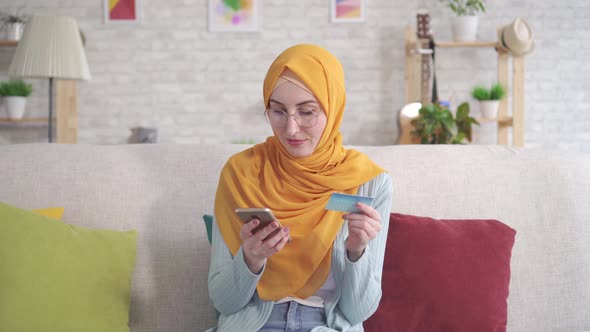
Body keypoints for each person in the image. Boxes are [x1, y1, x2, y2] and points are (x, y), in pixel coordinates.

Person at [207, 44, 393, 332]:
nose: (291, 129)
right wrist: (251, 258)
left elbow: (357, 311)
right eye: (278, 111)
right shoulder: (240, 174)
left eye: (307, 112)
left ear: (333, 108)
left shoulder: (369, 182)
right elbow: (224, 303)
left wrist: (356, 252)